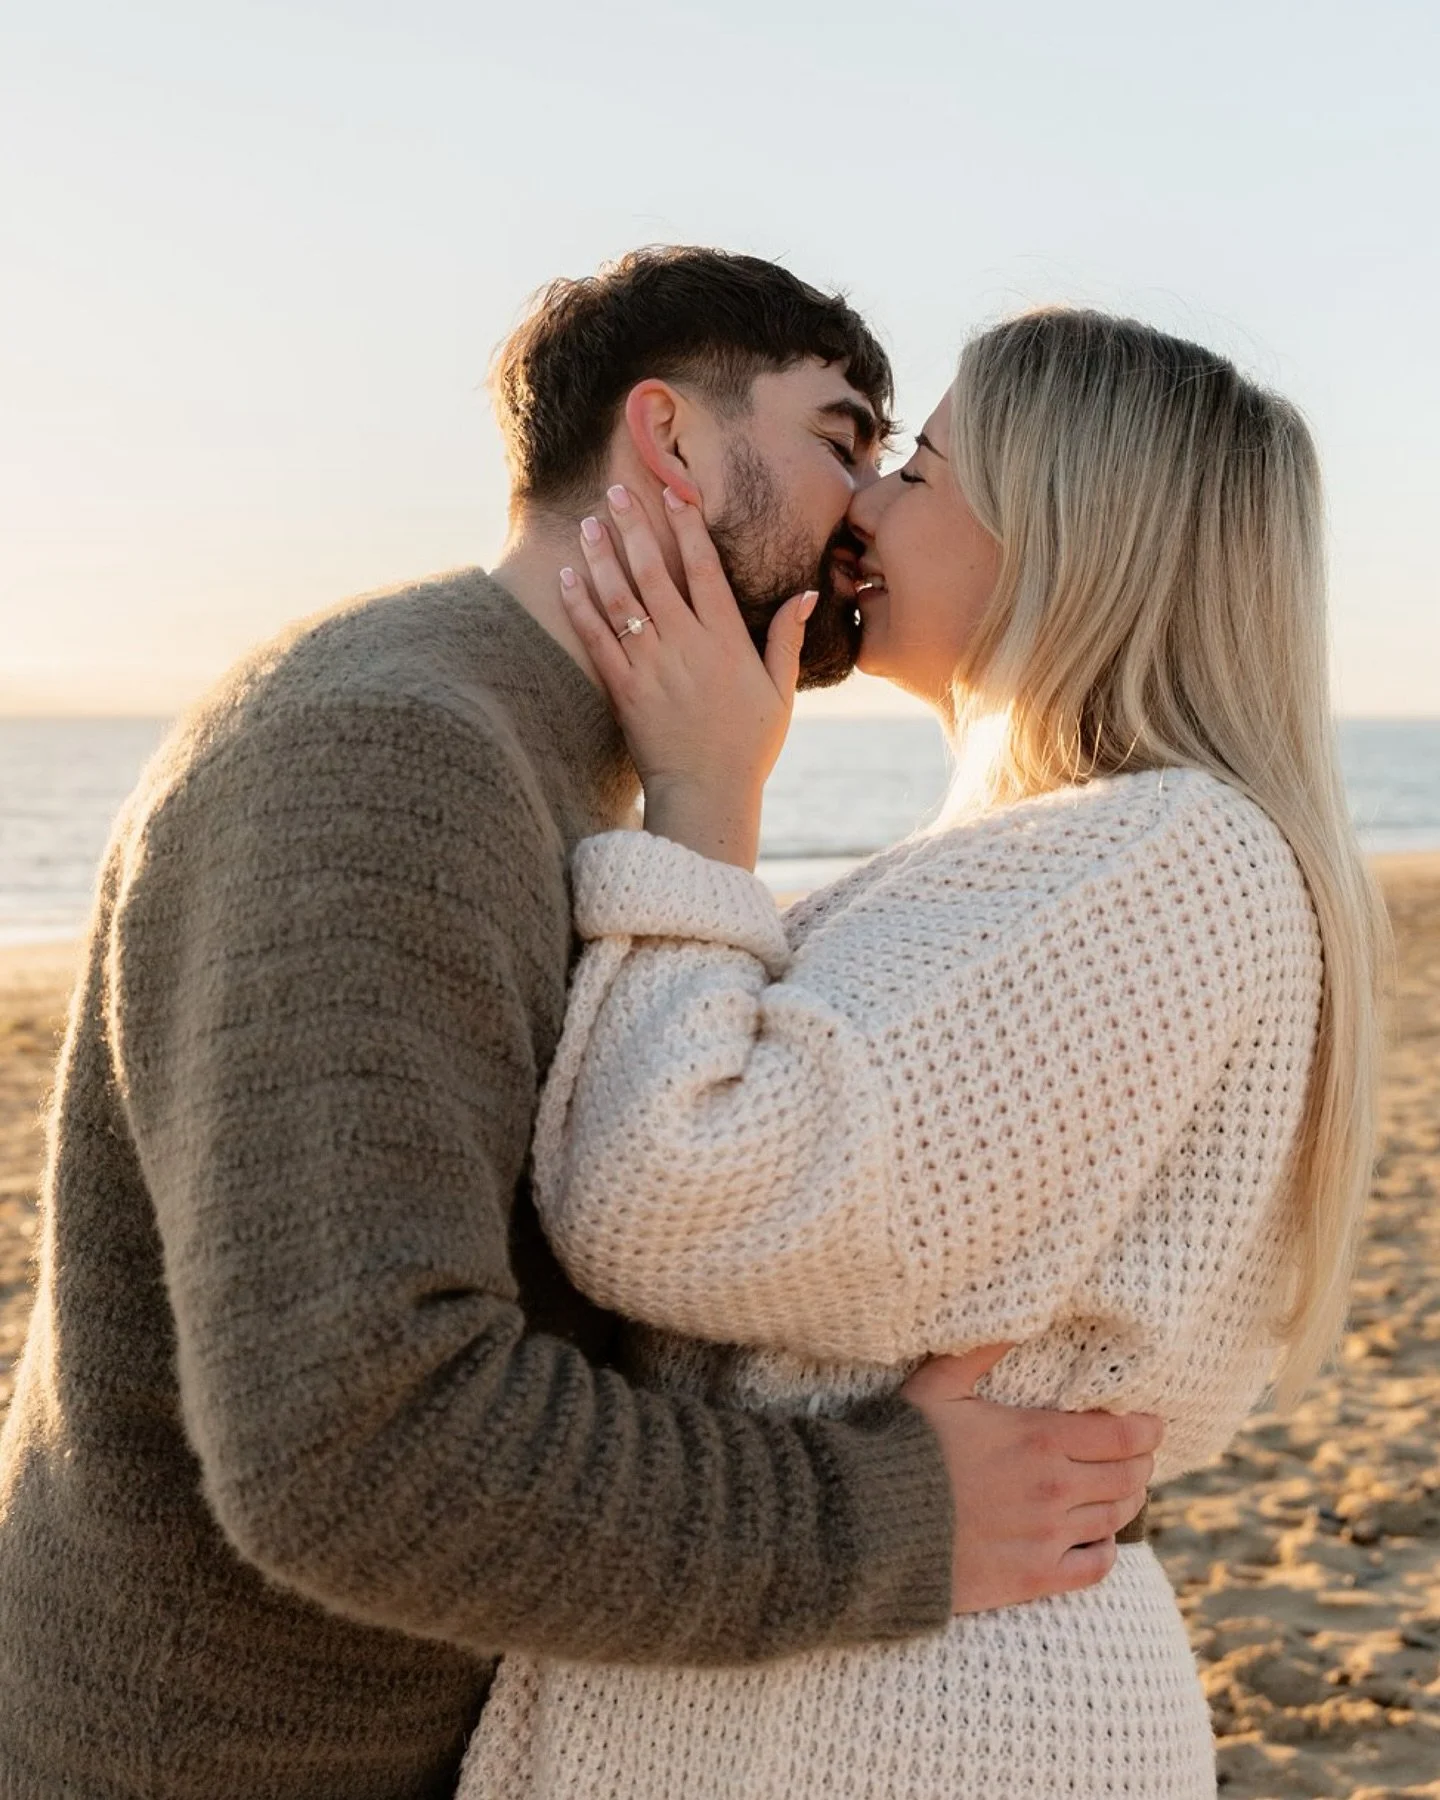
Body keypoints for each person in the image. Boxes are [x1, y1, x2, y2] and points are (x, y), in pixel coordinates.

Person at [0, 254, 1158, 1800]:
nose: (873, 510)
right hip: (221, 1755)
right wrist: (889, 1517)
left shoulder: (552, 759)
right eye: (843, 439)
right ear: (672, 444)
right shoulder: (385, 754)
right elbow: (356, 1449)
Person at [456, 307, 1386, 1799]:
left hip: (897, 1714)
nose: (865, 506)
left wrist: (703, 804)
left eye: (925, 471)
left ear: (1069, 535)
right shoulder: (1059, 862)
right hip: (856, 1677)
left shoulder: (1159, 857)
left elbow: (671, 1190)